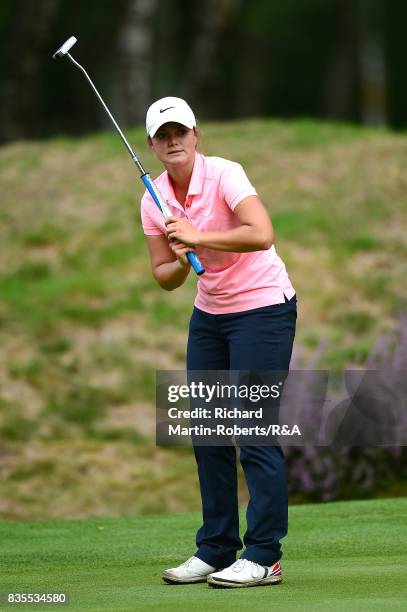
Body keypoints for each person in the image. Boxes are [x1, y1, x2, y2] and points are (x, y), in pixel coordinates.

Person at [140, 97, 297, 588]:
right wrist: (184, 254)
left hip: (263, 308)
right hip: (210, 315)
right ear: (151, 145)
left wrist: (198, 232)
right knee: (208, 434)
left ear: (196, 134)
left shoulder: (226, 173)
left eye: (180, 131)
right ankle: (216, 548)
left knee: (252, 431)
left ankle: (265, 555)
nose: (173, 141)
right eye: (163, 135)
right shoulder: (152, 198)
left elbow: (262, 232)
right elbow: (164, 276)